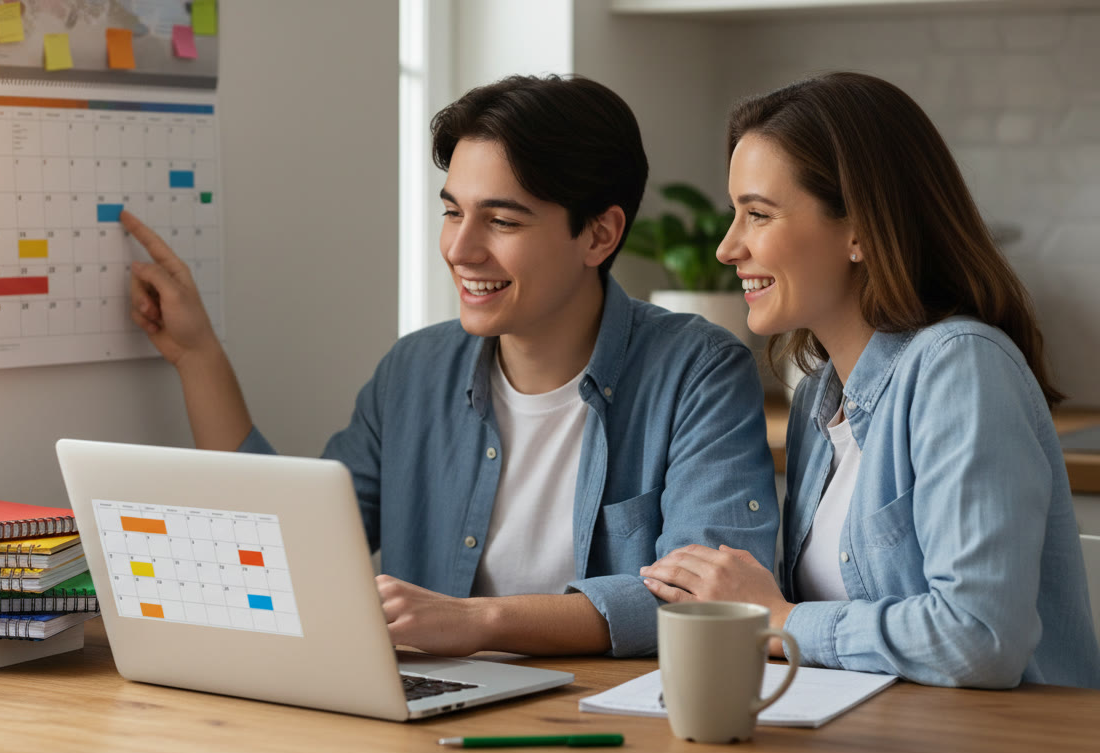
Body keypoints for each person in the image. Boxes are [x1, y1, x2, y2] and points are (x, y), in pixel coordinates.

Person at [123, 74, 779, 658]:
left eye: (501, 221)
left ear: (599, 235)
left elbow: (711, 605)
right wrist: (196, 355)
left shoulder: (699, 371)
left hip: (618, 724)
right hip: (435, 718)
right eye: (451, 212)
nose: (461, 249)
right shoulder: (415, 370)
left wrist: (478, 621)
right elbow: (289, 548)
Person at [640, 72, 1100, 688]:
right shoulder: (816, 399)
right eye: (735, 214)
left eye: (758, 214)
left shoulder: (960, 367)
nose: (727, 247)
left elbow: (980, 640)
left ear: (859, 229)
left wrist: (778, 618)